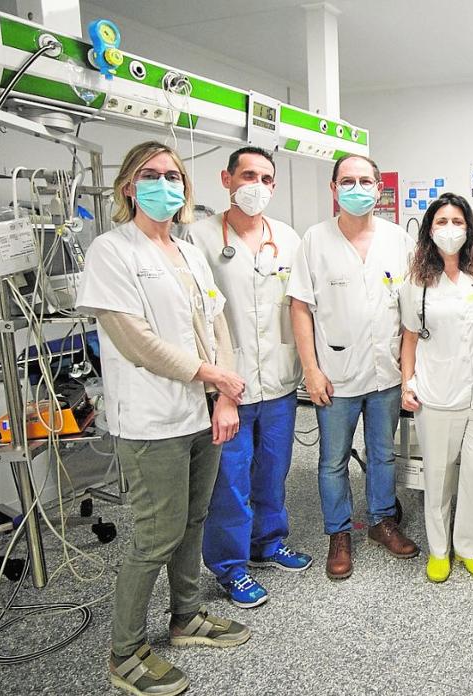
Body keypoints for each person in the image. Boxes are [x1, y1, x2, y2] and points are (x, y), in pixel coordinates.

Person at [77, 141, 251, 696]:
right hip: (150, 421)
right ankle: (125, 653)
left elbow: (217, 324)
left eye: (173, 175)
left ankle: (186, 617)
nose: (165, 185)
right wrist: (214, 377)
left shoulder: (187, 249)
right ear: (129, 186)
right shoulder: (112, 250)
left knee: (193, 521)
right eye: (151, 175)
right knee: (155, 535)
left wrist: (224, 393)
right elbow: (137, 343)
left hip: (201, 413)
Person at [187, 146, 310, 610]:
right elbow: (197, 318)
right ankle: (230, 568)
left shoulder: (287, 238)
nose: (256, 185)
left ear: (274, 186)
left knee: (273, 472)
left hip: (278, 380)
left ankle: (268, 544)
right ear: (227, 179)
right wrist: (218, 385)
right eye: (248, 175)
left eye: (265, 178)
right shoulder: (197, 238)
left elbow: (299, 307)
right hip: (229, 385)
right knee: (231, 481)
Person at [287, 154, 419, 580]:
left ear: (379, 189)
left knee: (382, 455)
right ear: (333, 188)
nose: (357, 188)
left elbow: (412, 308)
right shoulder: (315, 240)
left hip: (386, 372)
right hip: (335, 372)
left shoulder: (398, 239)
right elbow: (300, 307)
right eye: (348, 181)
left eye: (365, 181)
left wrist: (410, 371)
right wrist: (310, 369)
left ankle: (383, 521)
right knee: (332, 461)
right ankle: (339, 532)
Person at [400, 193, 473, 583]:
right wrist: (407, 383)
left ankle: (470, 547)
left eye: (457, 222)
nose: (450, 229)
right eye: (441, 222)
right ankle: (439, 550)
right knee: (438, 476)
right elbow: (409, 337)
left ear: (470, 228)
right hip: (437, 393)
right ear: (429, 231)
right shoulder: (416, 282)